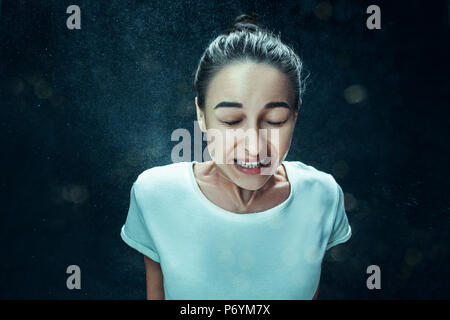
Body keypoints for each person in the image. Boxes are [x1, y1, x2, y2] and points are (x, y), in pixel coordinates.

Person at [120, 13, 352, 300]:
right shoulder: (155, 194)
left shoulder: (322, 195)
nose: (254, 147)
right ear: (201, 116)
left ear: (295, 115)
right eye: (231, 121)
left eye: (276, 119)